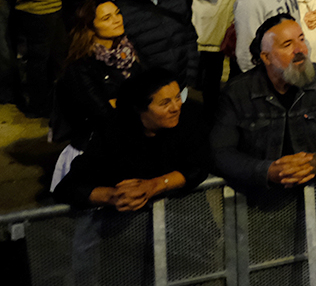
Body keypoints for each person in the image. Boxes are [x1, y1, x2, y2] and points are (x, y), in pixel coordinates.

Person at [210, 14, 316, 192]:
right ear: (266, 57)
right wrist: (267, 171)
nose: (300, 49)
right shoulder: (238, 93)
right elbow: (220, 152)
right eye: (287, 44)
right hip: (264, 200)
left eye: (301, 39)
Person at [55, 69, 209, 210]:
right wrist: (114, 196)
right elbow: (69, 188)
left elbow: (198, 167)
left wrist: (156, 185)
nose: (176, 107)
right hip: (125, 225)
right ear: (139, 108)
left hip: (186, 215)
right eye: (165, 103)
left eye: (177, 97)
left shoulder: (189, 119)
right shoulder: (113, 134)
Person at [54, 0, 141, 149]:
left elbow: (149, 89)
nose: (117, 20)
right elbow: (102, 113)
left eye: (117, 13)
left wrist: (119, 101)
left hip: (136, 131)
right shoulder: (81, 65)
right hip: (101, 142)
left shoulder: (129, 49)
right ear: (90, 27)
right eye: (107, 18)